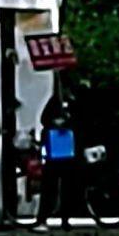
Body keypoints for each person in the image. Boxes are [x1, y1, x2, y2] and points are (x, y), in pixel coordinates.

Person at [35, 87, 77, 228]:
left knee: (67, 186)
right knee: (49, 185)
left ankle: (65, 218)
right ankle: (43, 217)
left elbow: (80, 122)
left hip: (68, 148)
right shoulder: (53, 102)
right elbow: (44, 119)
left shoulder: (74, 103)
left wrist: (67, 122)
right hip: (54, 147)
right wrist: (55, 122)